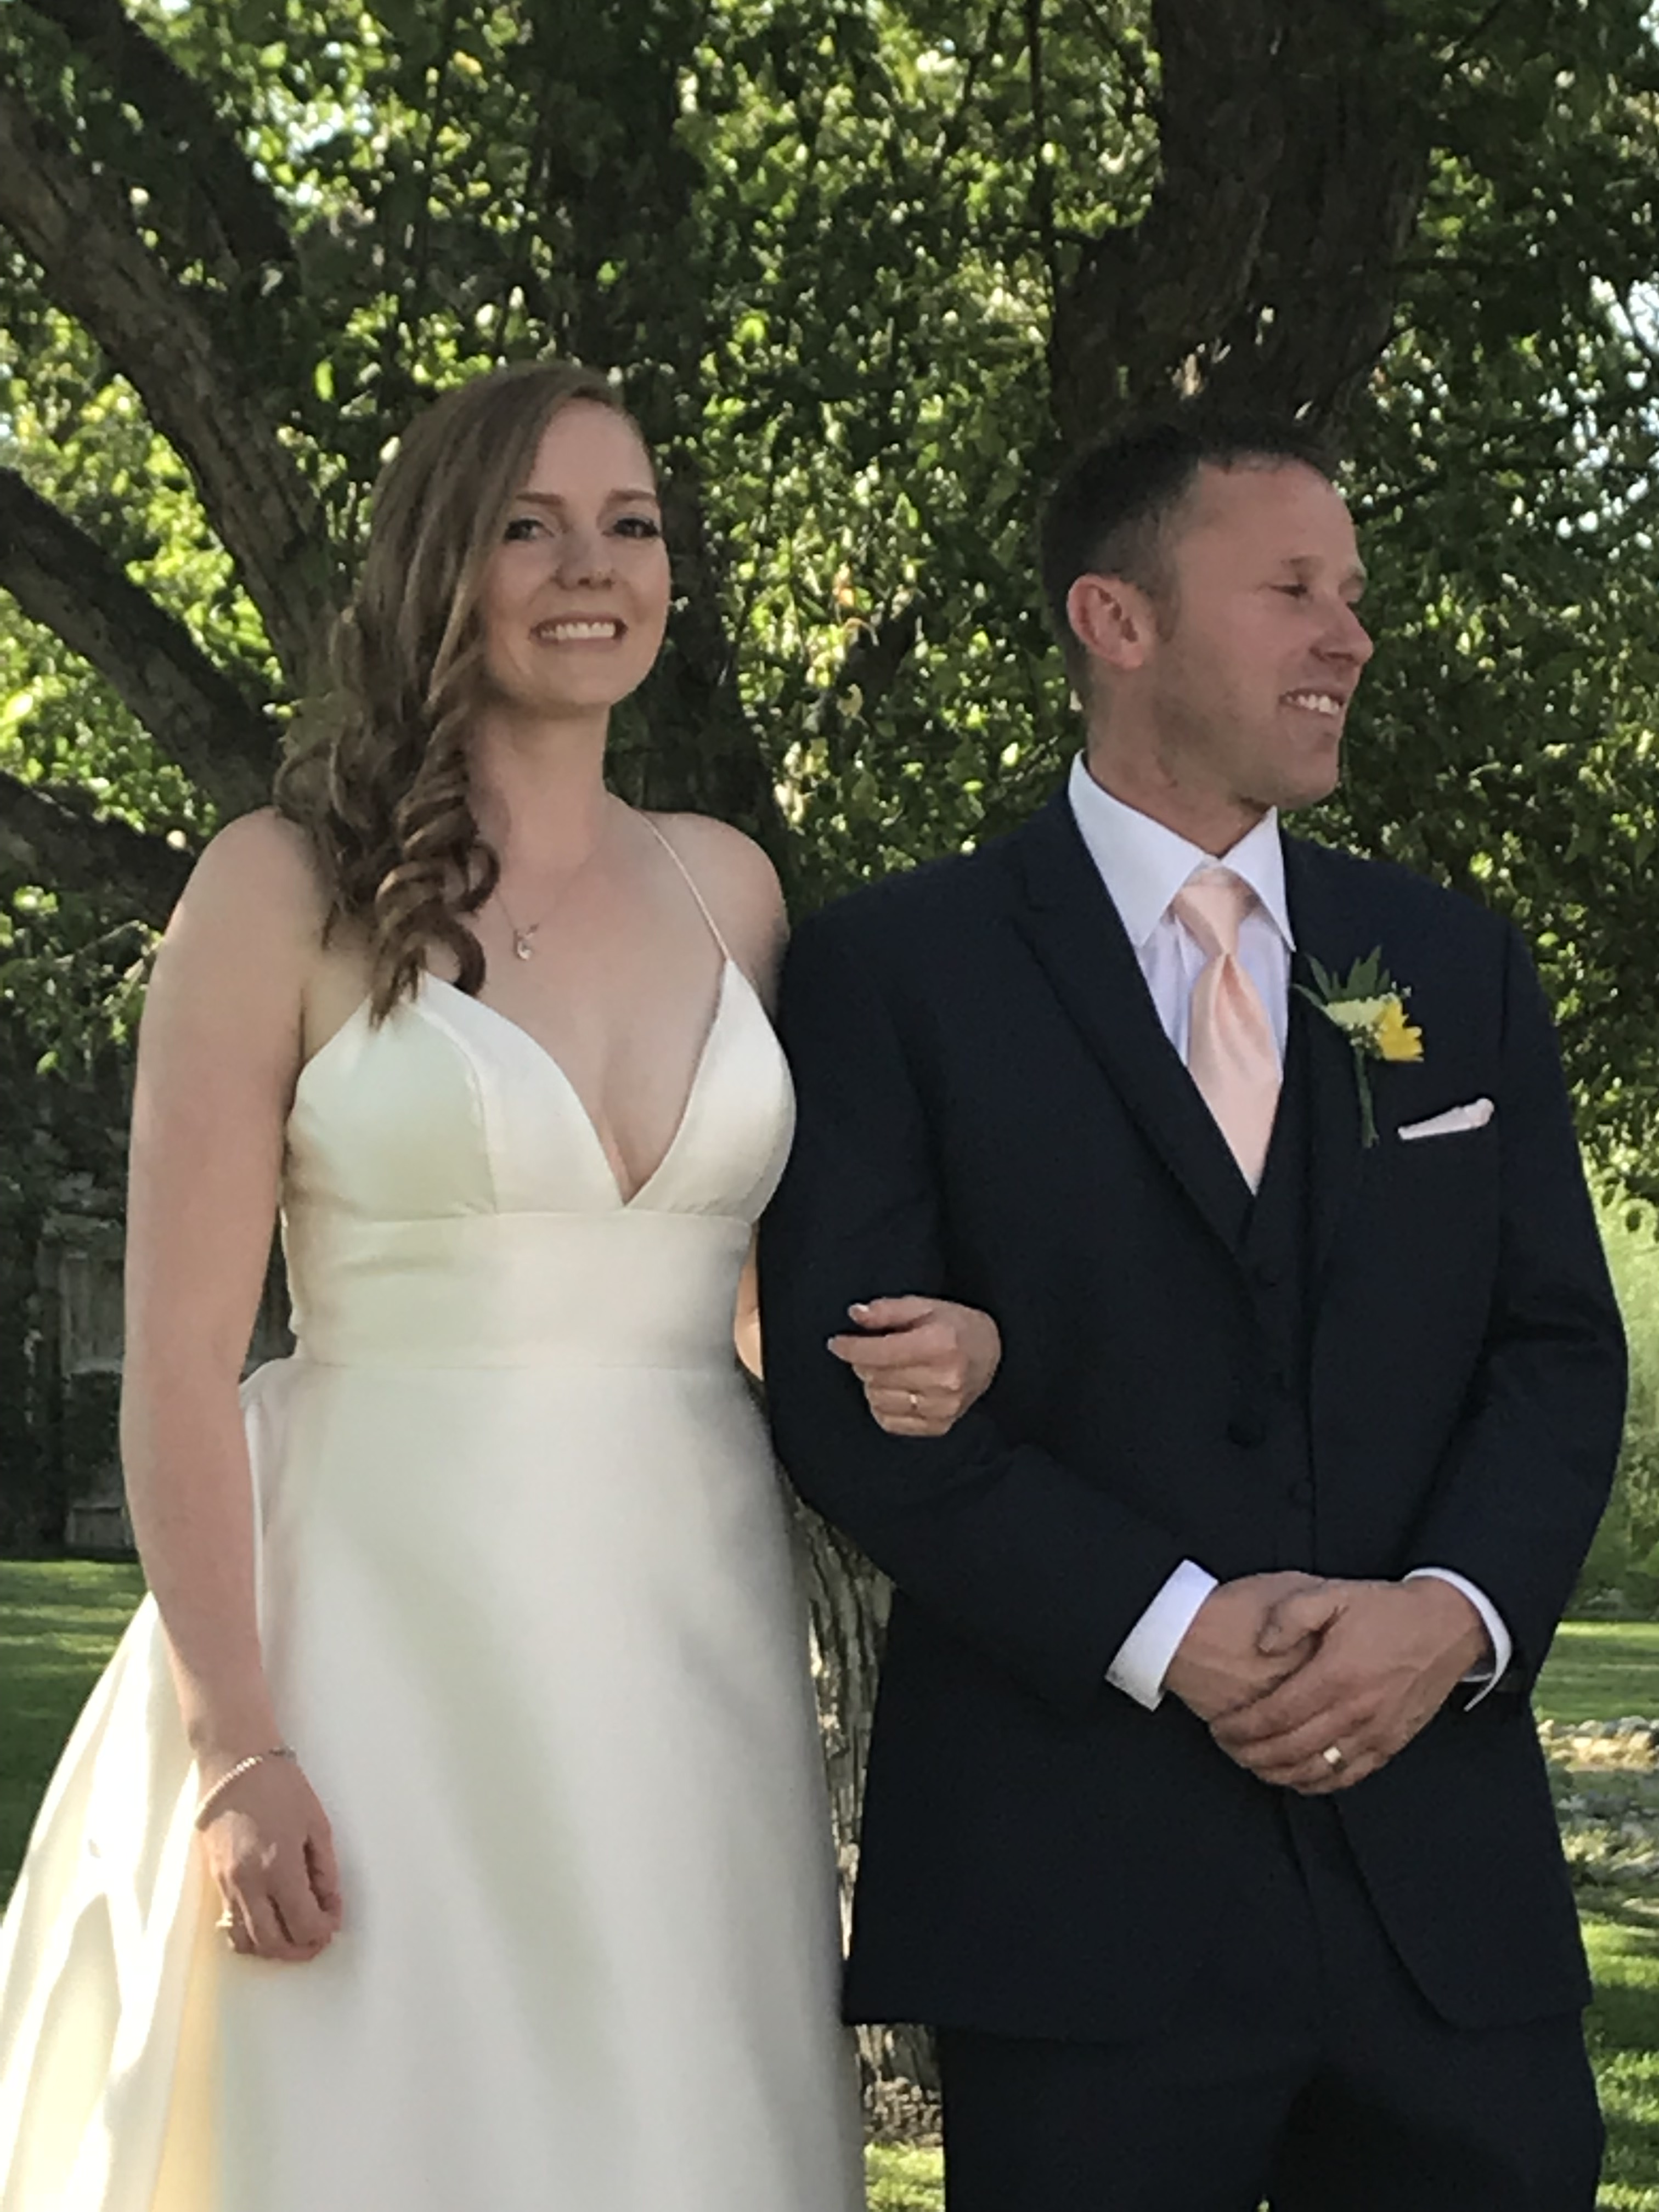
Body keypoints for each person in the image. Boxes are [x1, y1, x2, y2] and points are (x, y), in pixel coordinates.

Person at [0, 359, 1002, 2212]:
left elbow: (759, 1298)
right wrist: (237, 1744)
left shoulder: (732, 891)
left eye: (631, 525)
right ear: (437, 564)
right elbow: (176, 1359)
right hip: (378, 1623)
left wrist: (938, 1345)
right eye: (530, 526)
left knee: (681, 2111)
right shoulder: (280, 888)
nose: (590, 566)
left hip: (687, 1625)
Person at [759, 413, 1627, 2210]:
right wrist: (1168, 1628)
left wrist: (1448, 1620)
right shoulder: (891, 972)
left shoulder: (1450, 969)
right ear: (1118, 619)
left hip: (1438, 1894)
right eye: (1294, 589)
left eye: (1353, 595)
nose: (1350, 638)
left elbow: (1552, 1348)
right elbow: (850, 1399)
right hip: (1074, 1896)